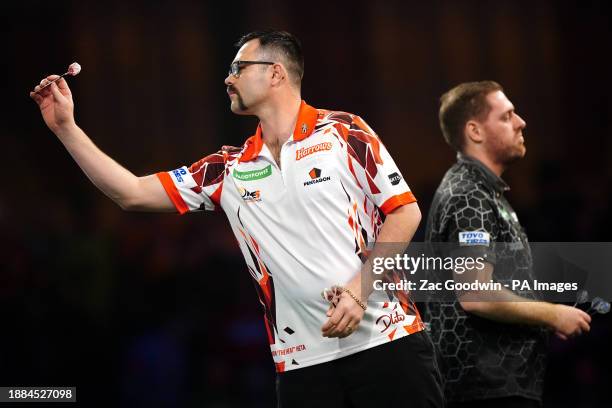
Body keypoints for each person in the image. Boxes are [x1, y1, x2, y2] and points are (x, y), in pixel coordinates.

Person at [30, 30, 443, 407]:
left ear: (276, 73)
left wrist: (358, 290)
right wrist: (65, 128)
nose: (227, 79)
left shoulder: (345, 132)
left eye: (238, 68)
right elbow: (131, 193)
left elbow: (404, 210)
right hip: (302, 364)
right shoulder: (227, 168)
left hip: (389, 342)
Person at [424, 81, 592, 408]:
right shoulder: (467, 195)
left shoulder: (483, 191)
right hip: (483, 389)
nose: (521, 122)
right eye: (507, 116)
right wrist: (551, 314)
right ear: (475, 131)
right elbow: (475, 293)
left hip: (500, 385)